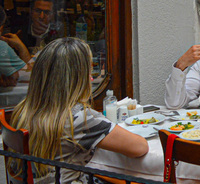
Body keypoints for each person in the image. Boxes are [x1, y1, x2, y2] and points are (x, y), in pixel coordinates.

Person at [12, 38, 148, 184]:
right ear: (78, 79)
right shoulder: (78, 118)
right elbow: (139, 147)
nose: (91, 78)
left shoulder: (23, 109)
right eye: (89, 72)